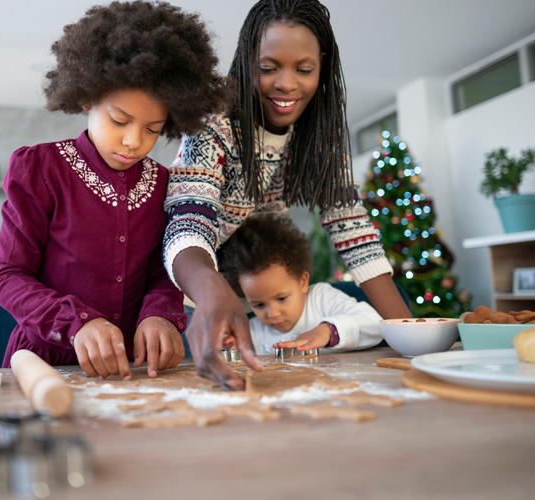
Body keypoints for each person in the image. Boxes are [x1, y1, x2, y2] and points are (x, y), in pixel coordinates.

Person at [162, 0, 412, 390]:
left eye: (305, 69)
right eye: (268, 68)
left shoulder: (320, 138)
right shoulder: (214, 123)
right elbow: (189, 221)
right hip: (184, 289)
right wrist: (211, 290)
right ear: (247, 63)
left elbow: (352, 230)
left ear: (323, 66)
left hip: (240, 296)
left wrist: (410, 336)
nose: (287, 84)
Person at [0, 1, 225, 381]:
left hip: (133, 368)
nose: (134, 141)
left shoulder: (165, 185)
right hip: (44, 366)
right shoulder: (40, 169)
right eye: (120, 119)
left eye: (153, 129)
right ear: (88, 97)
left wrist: (159, 316)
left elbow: (163, 273)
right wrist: (76, 322)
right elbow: (9, 276)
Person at [217, 214, 383, 355]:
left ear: (302, 282)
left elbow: (375, 324)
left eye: (281, 298)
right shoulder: (252, 331)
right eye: (258, 304)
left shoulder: (321, 298)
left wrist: (327, 331)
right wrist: (232, 348)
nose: (273, 314)